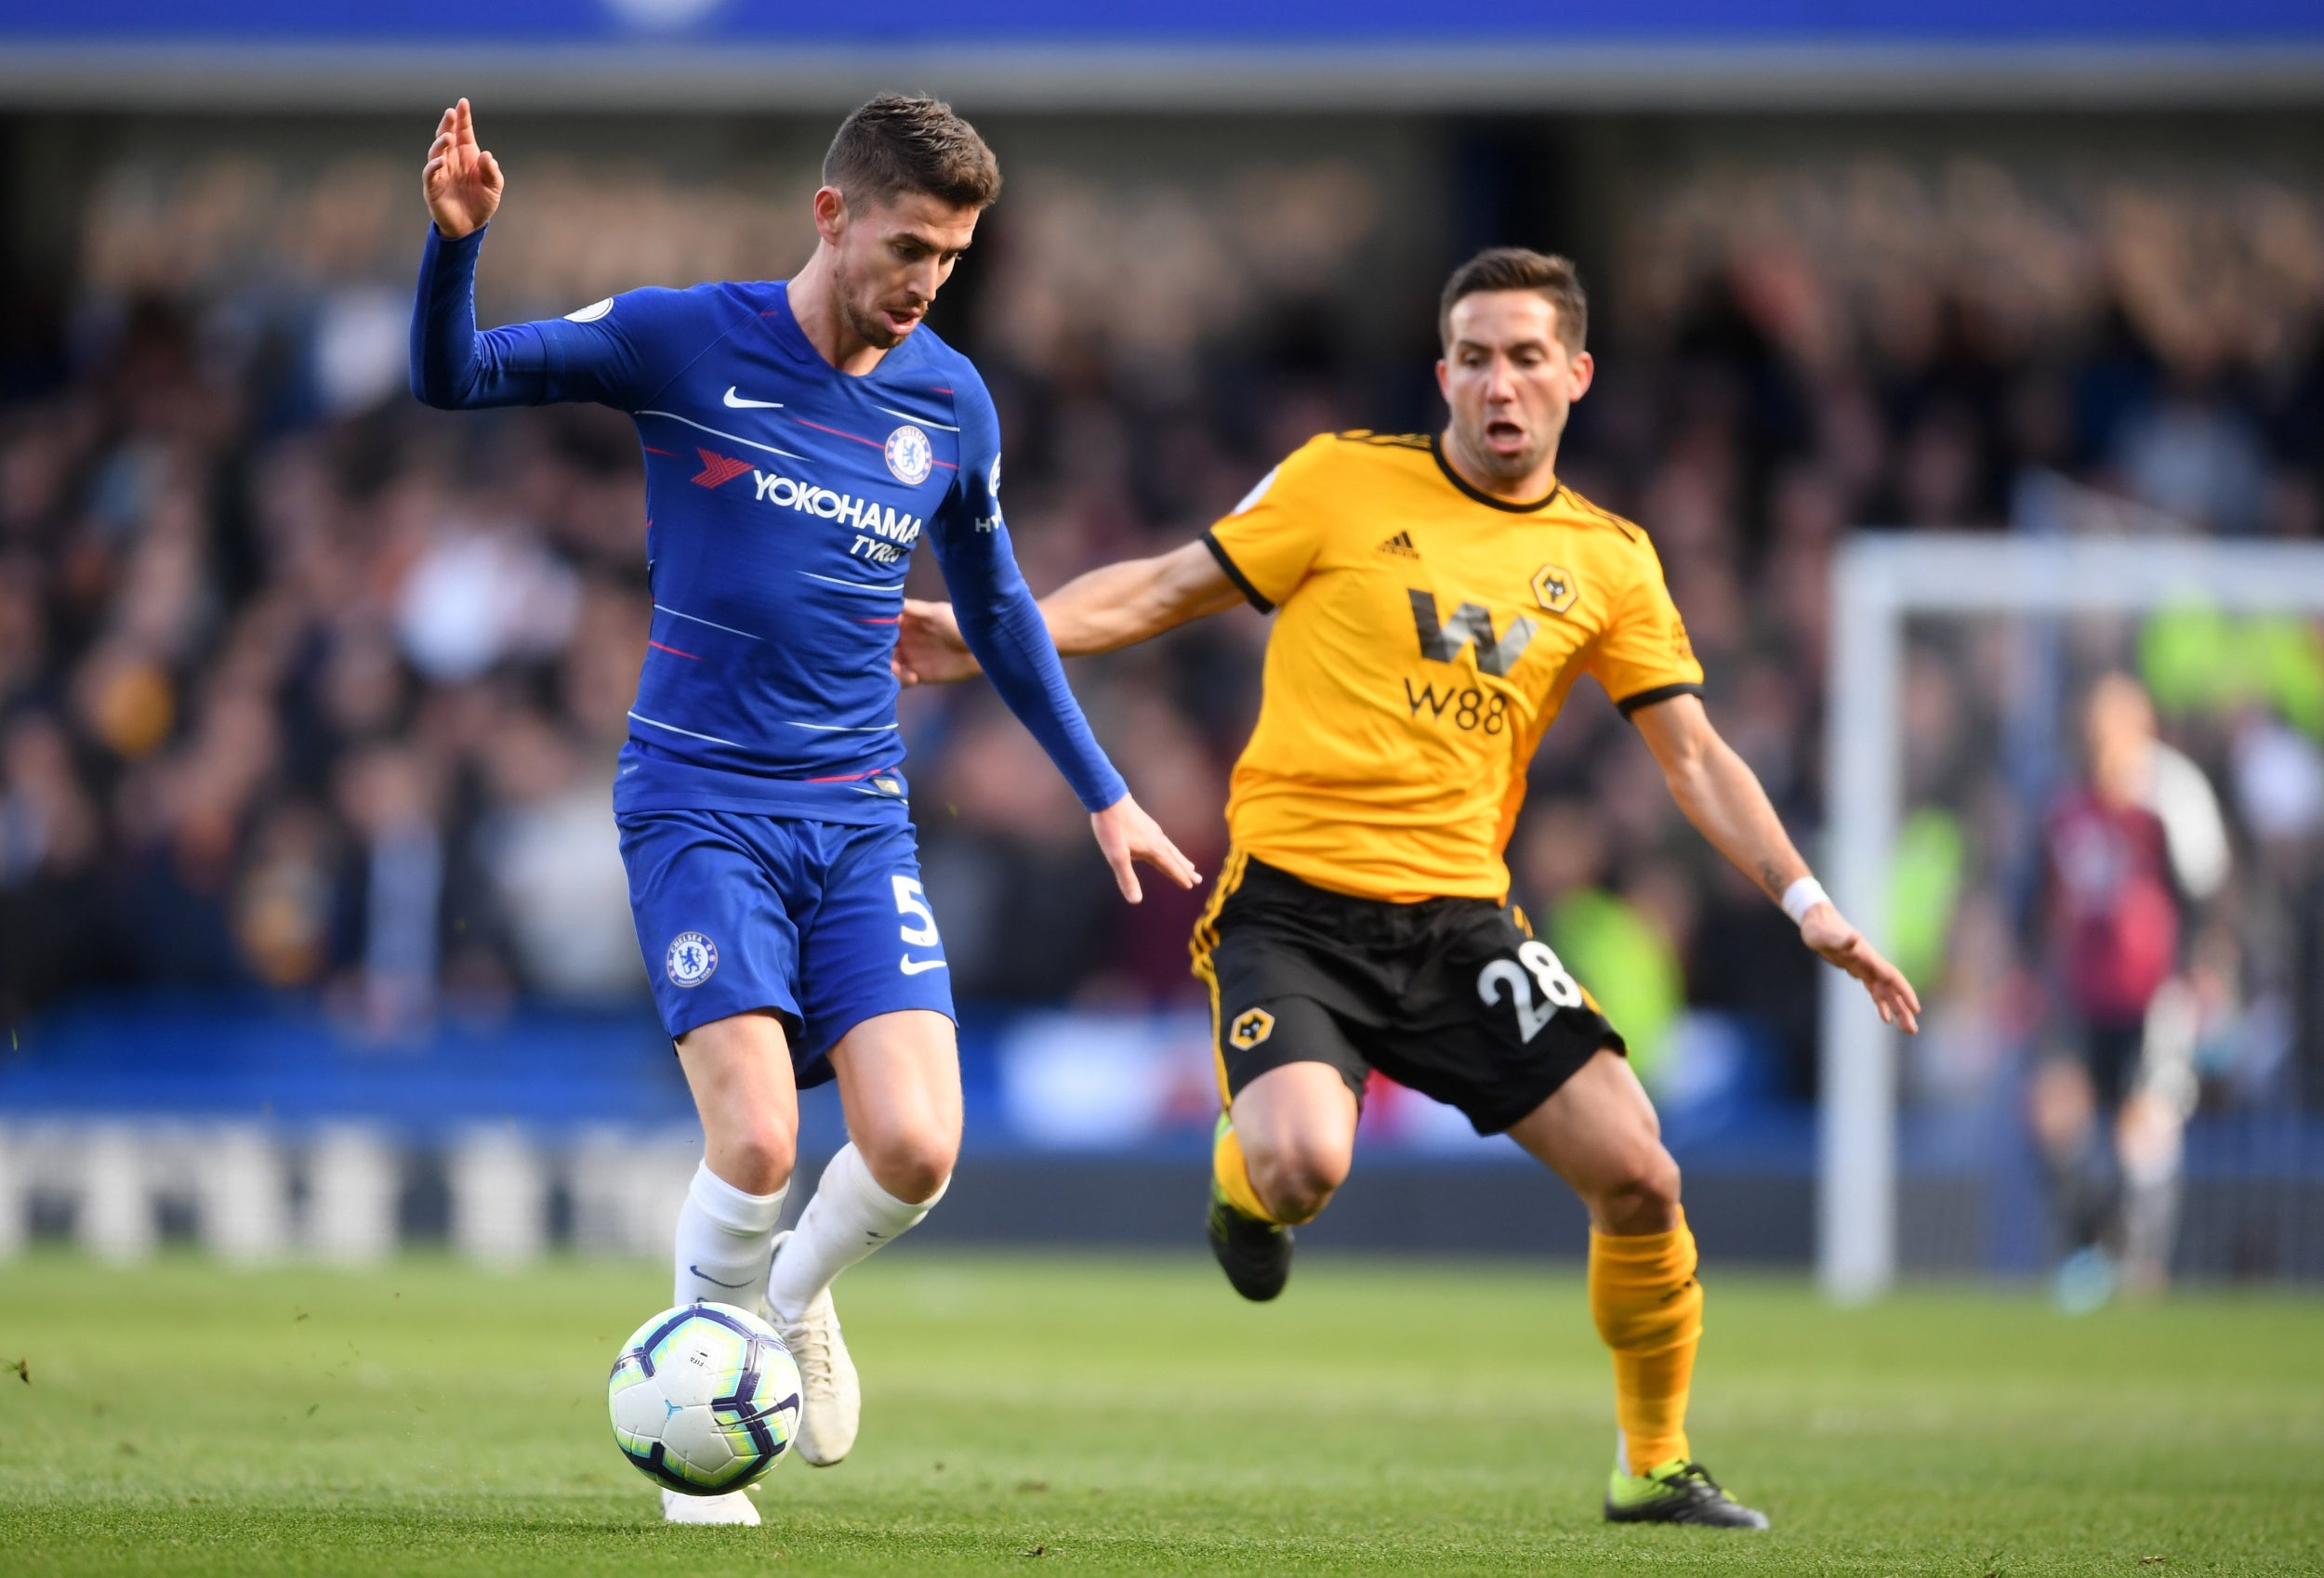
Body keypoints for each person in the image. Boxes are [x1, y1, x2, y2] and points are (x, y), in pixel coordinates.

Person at [896, 247, 1920, 1529]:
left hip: (1460, 925)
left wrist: (1811, 905)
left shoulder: (1611, 561)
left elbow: (1696, 757)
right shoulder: (1341, 480)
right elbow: (1164, 584)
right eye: (1477, 357)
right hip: (1294, 905)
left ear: (1577, 376)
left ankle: (1653, 1462)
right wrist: (999, 633)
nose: (1501, 383)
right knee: (1304, 1162)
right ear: (1444, 372)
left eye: (1528, 357)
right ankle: (1241, 1174)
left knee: (1643, 1174)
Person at [412, 95, 1196, 1524]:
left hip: (857, 816)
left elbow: (1003, 608)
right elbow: (454, 376)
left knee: (917, 1150)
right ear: (832, 214)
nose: (925, 283)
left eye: (952, 259)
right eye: (908, 246)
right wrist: (456, 244)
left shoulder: (950, 400)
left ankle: (787, 1288)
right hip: (698, 801)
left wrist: (1106, 790)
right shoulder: (682, 337)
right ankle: (696, 1457)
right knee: (762, 1142)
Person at [2034, 672, 2228, 1308]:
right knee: (2054, 1114)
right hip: (2081, 992)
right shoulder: (2066, 805)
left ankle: (2141, 1268)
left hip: (2153, 995)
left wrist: (2206, 972)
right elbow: (2036, 898)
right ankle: (2091, 1251)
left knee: (2144, 1126)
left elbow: (2205, 898)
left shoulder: (2169, 799)